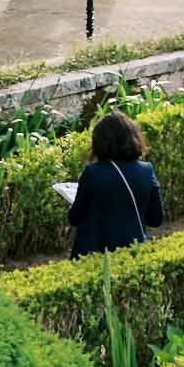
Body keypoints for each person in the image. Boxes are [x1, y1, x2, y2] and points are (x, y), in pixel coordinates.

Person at [67, 110, 164, 258]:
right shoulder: (147, 171)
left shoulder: (92, 173)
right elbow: (156, 219)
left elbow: (74, 218)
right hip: (132, 253)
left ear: (99, 142)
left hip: (94, 257)